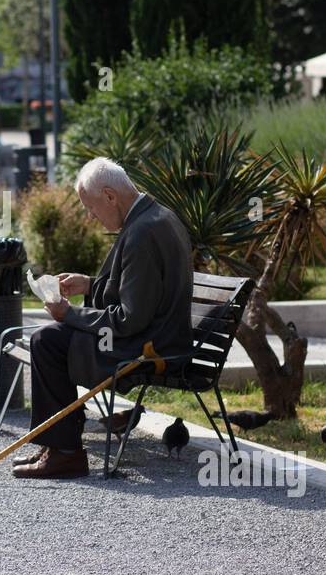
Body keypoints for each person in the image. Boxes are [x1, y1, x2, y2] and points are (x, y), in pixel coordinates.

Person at [14, 158, 193, 480]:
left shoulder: (142, 233)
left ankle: (65, 453)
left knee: (48, 342)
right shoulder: (156, 216)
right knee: (52, 338)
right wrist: (90, 285)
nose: (90, 216)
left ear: (110, 196)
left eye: (91, 207)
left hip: (149, 348)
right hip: (161, 336)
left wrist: (69, 313)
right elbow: (144, 295)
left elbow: (129, 319)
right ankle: (58, 445)